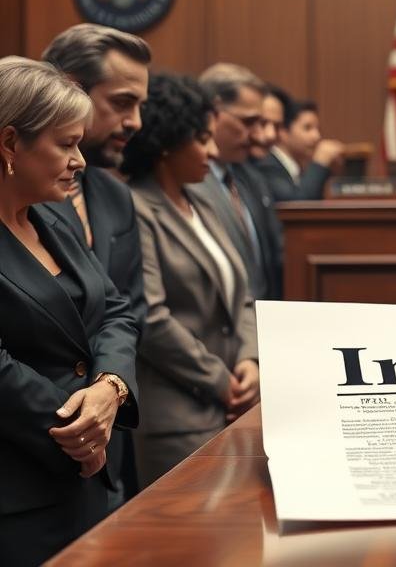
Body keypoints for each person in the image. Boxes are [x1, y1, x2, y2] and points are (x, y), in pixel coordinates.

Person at [0, 57, 139, 566]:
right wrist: (80, 431)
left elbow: (116, 310)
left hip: (88, 483)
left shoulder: (50, 218)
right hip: (19, 495)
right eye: (66, 144)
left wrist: (109, 388)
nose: (80, 160)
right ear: (10, 143)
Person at [121, 75, 259, 489]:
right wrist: (220, 381)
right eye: (202, 140)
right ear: (167, 142)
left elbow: (243, 295)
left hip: (233, 403)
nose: (213, 152)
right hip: (177, 418)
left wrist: (250, 361)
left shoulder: (201, 201)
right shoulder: (135, 207)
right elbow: (151, 317)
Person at [40, 23, 151, 507]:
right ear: (70, 88)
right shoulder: (23, 197)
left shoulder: (114, 194)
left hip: (112, 440)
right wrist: (80, 411)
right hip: (42, 440)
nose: (136, 122)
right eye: (123, 102)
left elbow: (130, 308)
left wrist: (110, 387)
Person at [196, 63, 283, 300]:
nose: (258, 135)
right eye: (248, 122)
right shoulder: (186, 183)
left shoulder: (252, 178)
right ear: (212, 113)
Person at [254, 90, 345, 201]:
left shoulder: (298, 167)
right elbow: (298, 204)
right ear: (284, 131)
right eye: (307, 128)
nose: (317, 136)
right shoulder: (267, 163)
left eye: (318, 129)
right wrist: (320, 162)